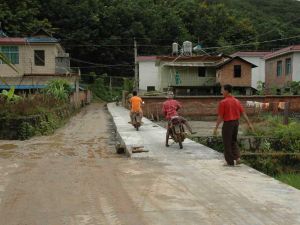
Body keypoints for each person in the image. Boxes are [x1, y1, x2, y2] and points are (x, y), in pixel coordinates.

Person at [213, 84, 254, 166]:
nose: (221, 92)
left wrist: (216, 128)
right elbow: (243, 113)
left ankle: (230, 162)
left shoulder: (223, 102)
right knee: (233, 141)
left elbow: (220, 116)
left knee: (226, 142)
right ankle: (237, 158)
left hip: (228, 124)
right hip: (236, 123)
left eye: (222, 90)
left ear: (227, 91)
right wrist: (249, 124)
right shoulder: (237, 101)